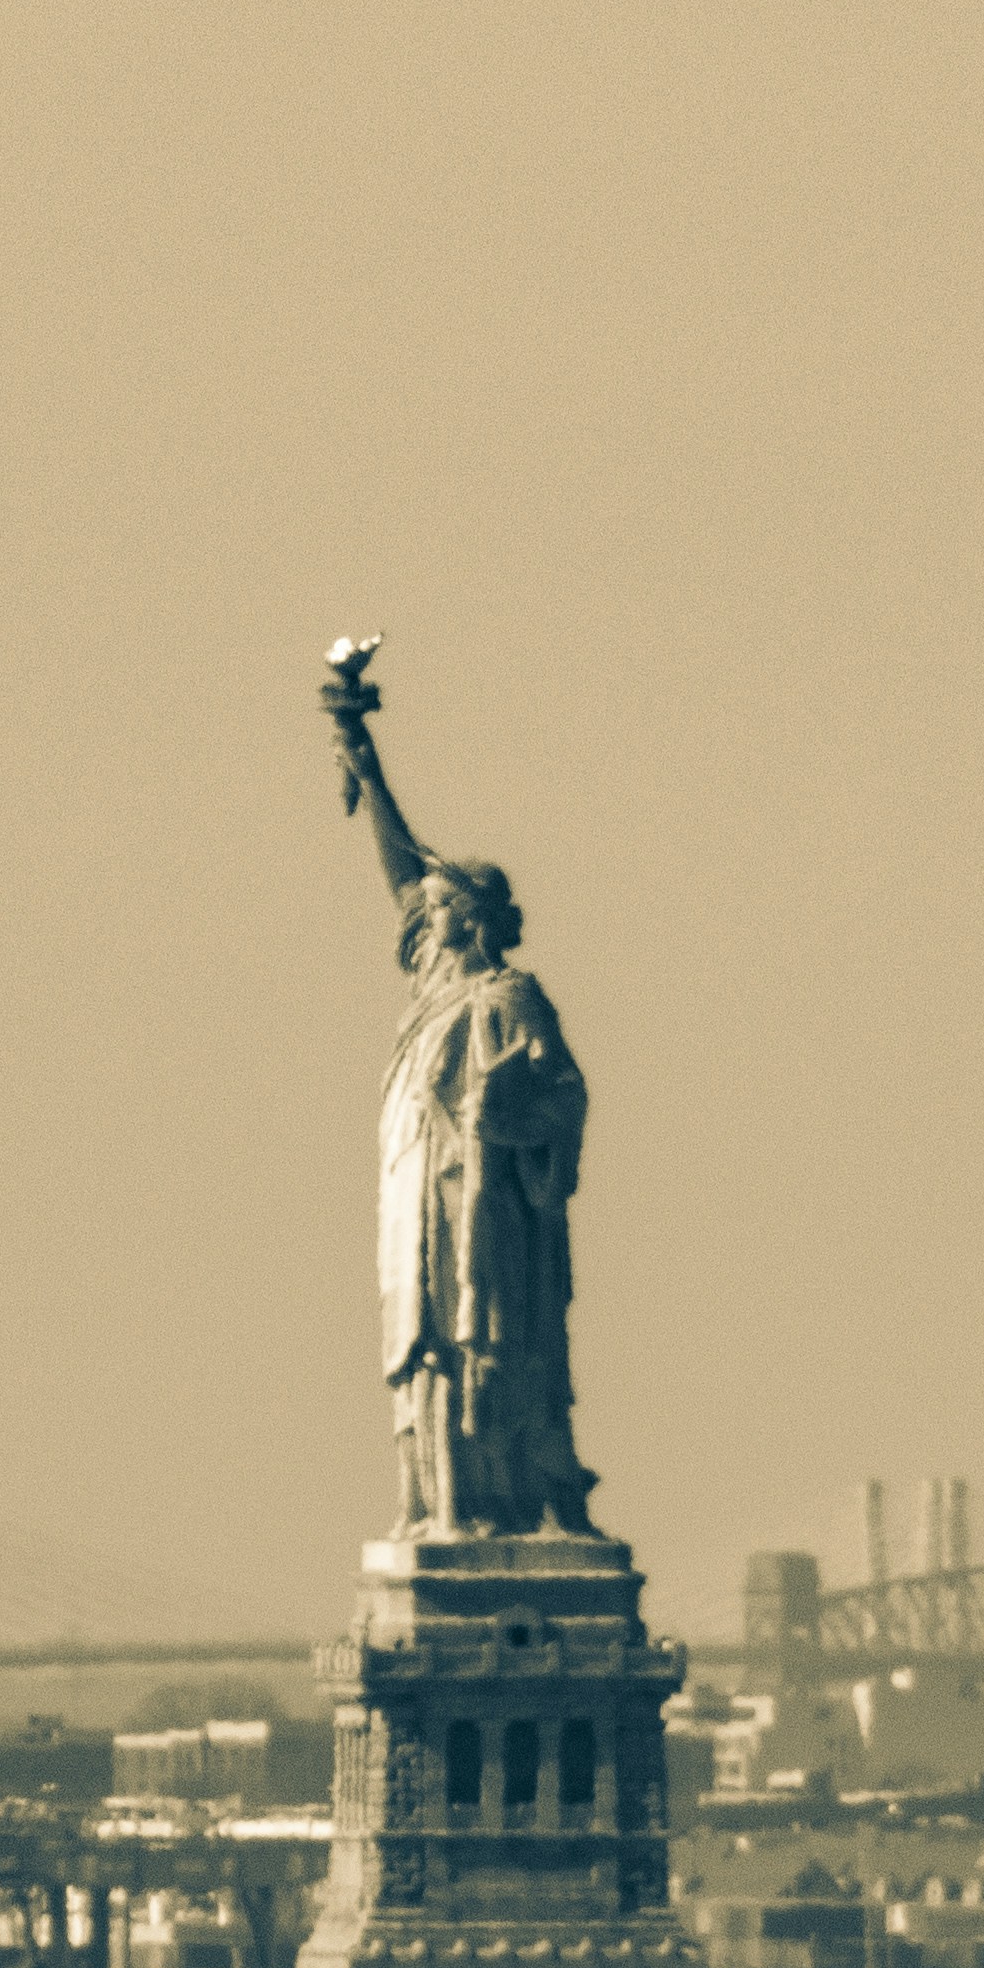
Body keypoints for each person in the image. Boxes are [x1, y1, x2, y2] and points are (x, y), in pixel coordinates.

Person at [318, 645, 597, 1538]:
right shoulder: (432, 996)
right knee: (420, 1351)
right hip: (417, 1209)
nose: (418, 920)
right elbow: (402, 872)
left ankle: (497, 1503)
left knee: (489, 1351)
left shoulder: (510, 998)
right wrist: (365, 758)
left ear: (469, 918)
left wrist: (512, 1121)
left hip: (485, 1220)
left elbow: (564, 1097)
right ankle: (433, 1505)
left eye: (435, 911)